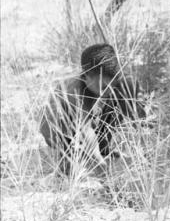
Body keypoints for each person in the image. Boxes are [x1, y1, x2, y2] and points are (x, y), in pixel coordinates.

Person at [40, 43, 146, 176]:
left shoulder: (110, 82)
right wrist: (102, 169)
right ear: (85, 77)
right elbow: (86, 131)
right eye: (102, 86)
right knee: (74, 167)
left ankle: (103, 147)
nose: (107, 91)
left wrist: (142, 131)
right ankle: (68, 158)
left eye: (111, 85)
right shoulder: (75, 91)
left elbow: (135, 112)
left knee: (124, 89)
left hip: (88, 119)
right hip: (59, 131)